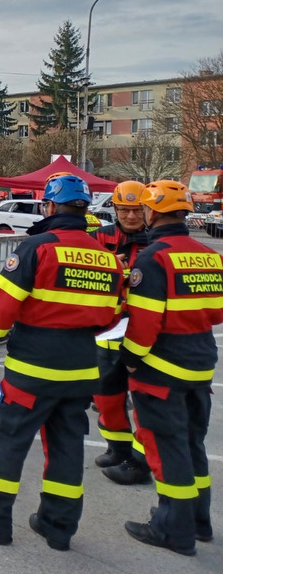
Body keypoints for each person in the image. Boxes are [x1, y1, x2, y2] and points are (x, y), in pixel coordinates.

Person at [0, 174, 123, 551]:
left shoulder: (36, 248)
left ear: (49, 206)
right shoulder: (107, 258)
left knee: (8, 441)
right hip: (81, 369)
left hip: (33, 369)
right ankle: (58, 527)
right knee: (67, 448)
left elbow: (3, 306)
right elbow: (111, 318)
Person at [119, 180, 222, 556]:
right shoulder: (210, 255)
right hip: (201, 364)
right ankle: (198, 521)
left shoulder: (153, 258)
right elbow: (218, 311)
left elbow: (144, 326)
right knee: (193, 445)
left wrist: (129, 362)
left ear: (151, 211)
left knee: (167, 449)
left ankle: (173, 529)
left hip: (161, 370)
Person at [90, 181, 153, 483]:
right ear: (114, 208)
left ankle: (140, 462)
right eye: (124, 210)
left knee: (144, 402)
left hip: (144, 337)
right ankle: (118, 448)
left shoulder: (156, 242)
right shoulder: (98, 237)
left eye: (137, 210)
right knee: (106, 398)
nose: (130, 216)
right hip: (106, 334)